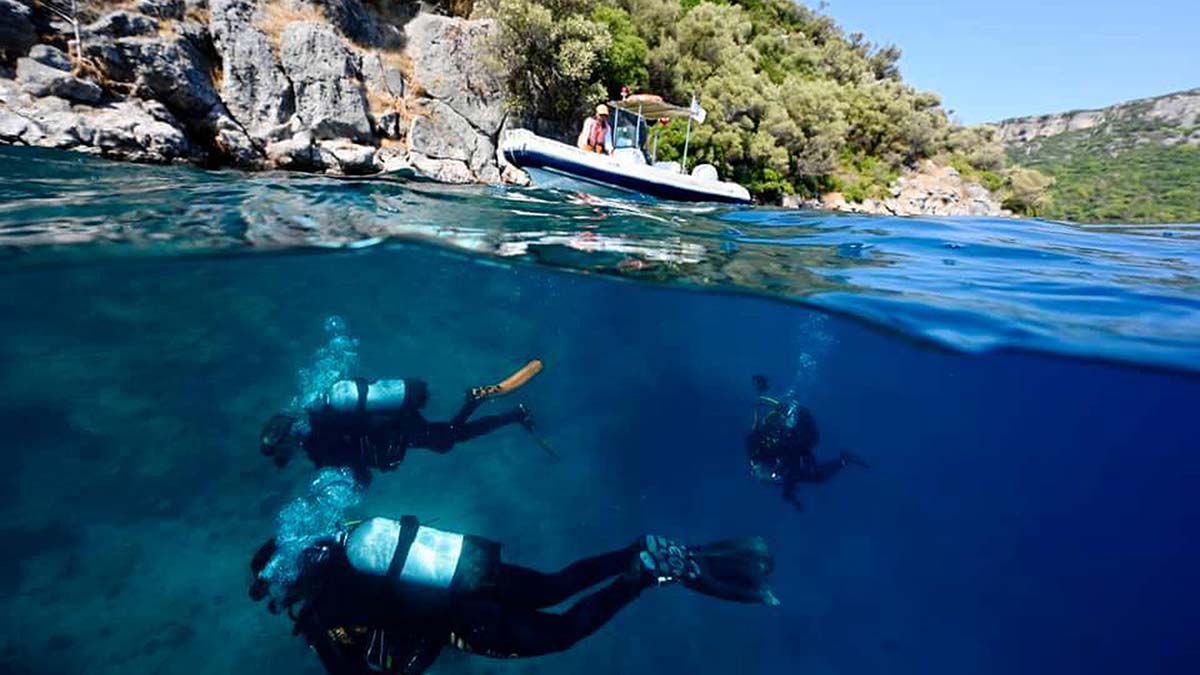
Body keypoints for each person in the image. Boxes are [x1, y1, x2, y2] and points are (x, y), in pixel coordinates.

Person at [250, 508, 778, 675]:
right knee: (554, 585)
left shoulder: (321, 615)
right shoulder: (349, 540)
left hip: (461, 619)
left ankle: (641, 574)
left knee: (563, 632)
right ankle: (633, 551)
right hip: (468, 570)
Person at [260, 361, 543, 481]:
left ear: (288, 442)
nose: (289, 457)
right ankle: (513, 414)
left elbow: (360, 470)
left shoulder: (317, 446)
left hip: (395, 429)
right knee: (451, 436)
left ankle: (479, 399)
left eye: (284, 454)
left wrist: (368, 472)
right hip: (394, 422)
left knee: (451, 437)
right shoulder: (316, 410)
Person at [746, 375, 868, 511]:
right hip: (795, 442)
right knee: (816, 476)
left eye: (771, 475)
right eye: (773, 477)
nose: (774, 475)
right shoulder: (774, 459)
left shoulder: (764, 446)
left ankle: (844, 459)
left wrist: (789, 493)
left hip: (798, 436)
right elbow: (791, 476)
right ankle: (844, 460)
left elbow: (757, 424)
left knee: (811, 467)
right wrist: (791, 497)